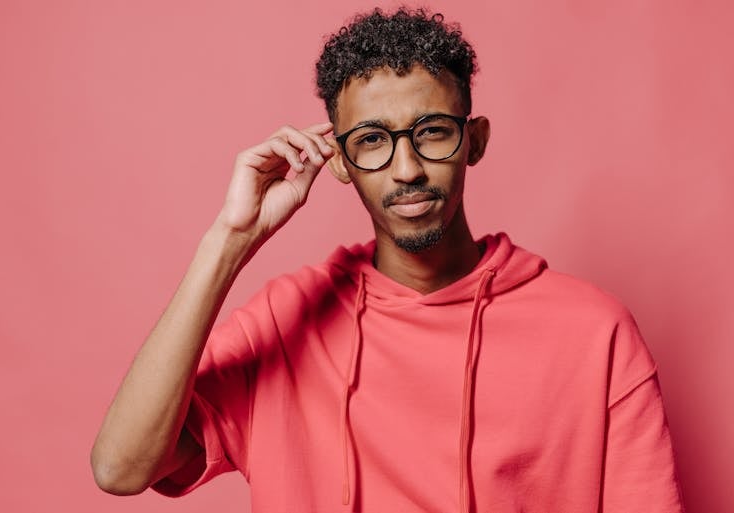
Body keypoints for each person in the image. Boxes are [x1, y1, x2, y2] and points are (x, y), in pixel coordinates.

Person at [91, 7, 684, 513]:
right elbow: (121, 467)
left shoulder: (592, 332)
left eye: (430, 131)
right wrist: (229, 240)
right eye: (372, 139)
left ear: (473, 139)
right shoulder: (287, 320)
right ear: (340, 161)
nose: (407, 170)